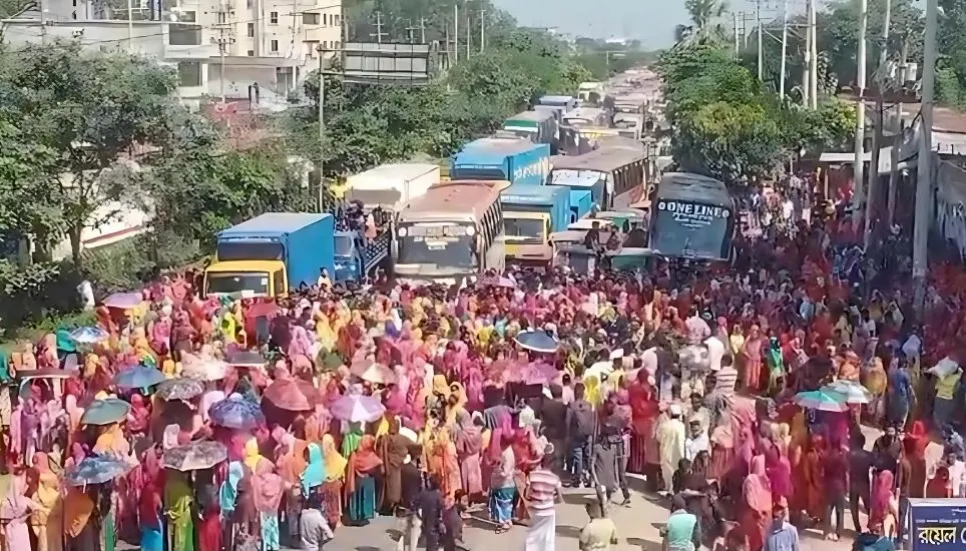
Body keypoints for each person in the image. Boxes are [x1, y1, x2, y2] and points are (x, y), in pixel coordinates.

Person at [523, 452, 562, 551]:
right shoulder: (555, 479)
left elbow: (526, 495)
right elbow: (560, 499)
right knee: (548, 536)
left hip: (536, 510)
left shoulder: (532, 475)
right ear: (553, 464)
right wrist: (552, 497)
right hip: (548, 511)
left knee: (533, 533)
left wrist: (534, 498)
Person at [345, 435, 383, 526]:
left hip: (357, 480)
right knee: (366, 498)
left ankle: (354, 516)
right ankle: (364, 516)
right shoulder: (372, 455)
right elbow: (379, 463)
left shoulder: (354, 454)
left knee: (356, 498)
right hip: (368, 480)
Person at [567, 383, 595, 487]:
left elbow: (568, 421)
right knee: (588, 455)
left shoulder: (572, 406)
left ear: (575, 393)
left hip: (576, 434)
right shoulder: (589, 405)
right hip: (588, 434)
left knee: (578, 455)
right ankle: (589, 477)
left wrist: (568, 435)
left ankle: (578, 478)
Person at [658, 404, 686, 494]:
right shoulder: (681, 426)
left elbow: (658, 438)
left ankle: (669, 489)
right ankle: (673, 490)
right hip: (677, 453)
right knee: (675, 471)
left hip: (665, 451)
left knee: (667, 471)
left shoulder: (664, 425)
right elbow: (681, 441)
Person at [415, 476, 445, 551]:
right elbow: (441, 509)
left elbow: (415, 504)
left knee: (430, 544)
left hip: (426, 521)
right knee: (434, 544)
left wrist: (419, 516)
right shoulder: (438, 495)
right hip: (435, 522)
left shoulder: (423, 493)